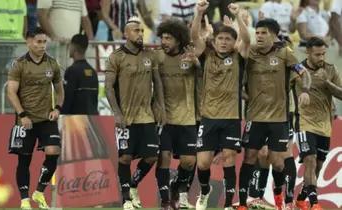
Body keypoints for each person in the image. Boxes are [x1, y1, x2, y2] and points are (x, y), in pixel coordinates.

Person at [237, 18, 312, 210]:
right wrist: (243, 91)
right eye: (258, 33)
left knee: (279, 163)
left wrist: (305, 90)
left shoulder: (285, 53)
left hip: (279, 118)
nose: (259, 36)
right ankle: (245, 201)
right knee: (250, 157)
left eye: (264, 33)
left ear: (274, 35)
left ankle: (279, 195)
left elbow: (304, 73)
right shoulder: (250, 52)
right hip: (255, 117)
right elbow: (237, 73)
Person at [191, 1, 251, 210]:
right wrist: (198, 13)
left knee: (228, 158)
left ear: (233, 42)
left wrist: (239, 19)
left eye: (228, 39)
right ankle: (205, 191)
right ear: (214, 41)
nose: (224, 42)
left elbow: (246, 39)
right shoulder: (207, 56)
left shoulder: (238, 57)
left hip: (231, 118)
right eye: (220, 38)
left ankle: (227, 204)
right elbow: (194, 38)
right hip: (208, 118)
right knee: (203, 163)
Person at [105, 16, 166, 210]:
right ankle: (126, 200)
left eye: (141, 31)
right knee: (125, 158)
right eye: (136, 31)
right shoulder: (116, 57)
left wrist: (161, 106)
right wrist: (116, 113)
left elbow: (157, 83)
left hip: (146, 116)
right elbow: (108, 88)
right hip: (126, 117)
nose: (140, 34)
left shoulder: (150, 55)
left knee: (151, 156)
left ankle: (132, 186)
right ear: (126, 33)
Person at [7, 27, 64, 210]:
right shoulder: (19, 64)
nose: (42, 46)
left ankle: (39, 191)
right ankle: (24, 200)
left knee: (53, 151)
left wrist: (57, 108)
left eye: (44, 42)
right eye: (38, 42)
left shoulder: (52, 63)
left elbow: (60, 89)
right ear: (28, 42)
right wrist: (22, 115)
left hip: (47, 118)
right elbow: (11, 92)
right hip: (26, 119)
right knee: (24, 160)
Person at [153, 18, 198, 210]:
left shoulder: (190, 57)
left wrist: (197, 64)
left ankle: (176, 187)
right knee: (164, 157)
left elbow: (204, 78)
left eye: (168, 38)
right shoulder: (156, 57)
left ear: (179, 40)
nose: (164, 41)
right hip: (165, 118)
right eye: (162, 37)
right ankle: (165, 200)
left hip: (187, 117)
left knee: (189, 162)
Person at [294, 37, 342, 210]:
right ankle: (314, 203)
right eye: (317, 54)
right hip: (304, 122)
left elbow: (341, 94)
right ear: (307, 52)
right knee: (310, 160)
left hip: (324, 125)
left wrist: (327, 82)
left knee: (319, 166)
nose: (321, 58)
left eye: (323, 54)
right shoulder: (297, 69)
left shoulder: (330, 69)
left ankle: (301, 198)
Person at [62, 34, 98, 115]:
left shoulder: (72, 71)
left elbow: (67, 99)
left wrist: (61, 116)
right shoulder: (93, 72)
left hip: (75, 121)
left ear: (73, 47)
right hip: (92, 120)